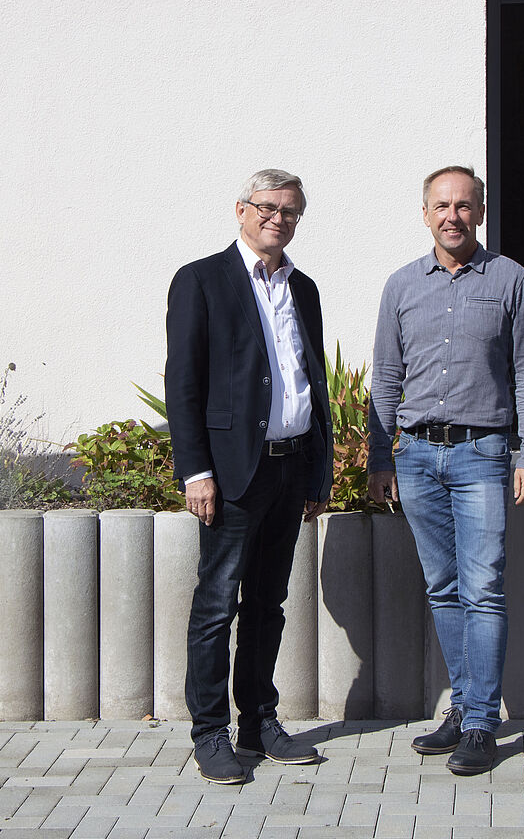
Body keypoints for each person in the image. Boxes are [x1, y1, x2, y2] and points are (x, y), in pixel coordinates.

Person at [366, 165, 524, 776]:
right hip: (414, 456)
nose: (453, 215)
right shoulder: (400, 286)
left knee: (484, 589)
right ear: (424, 213)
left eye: (465, 205)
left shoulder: (511, 280)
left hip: (482, 455)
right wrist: (378, 456)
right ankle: (466, 706)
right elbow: (386, 377)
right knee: (443, 589)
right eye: (441, 205)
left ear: (481, 212)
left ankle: (480, 723)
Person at [165, 168, 334, 785]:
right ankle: (209, 732)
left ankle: (258, 721)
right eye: (267, 207)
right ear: (240, 209)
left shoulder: (304, 288)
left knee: (269, 603)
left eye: (290, 211)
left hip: (291, 469)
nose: (278, 219)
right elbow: (182, 384)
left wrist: (319, 467)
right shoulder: (202, 280)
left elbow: (309, 381)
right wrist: (196, 471)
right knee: (217, 605)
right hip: (234, 473)